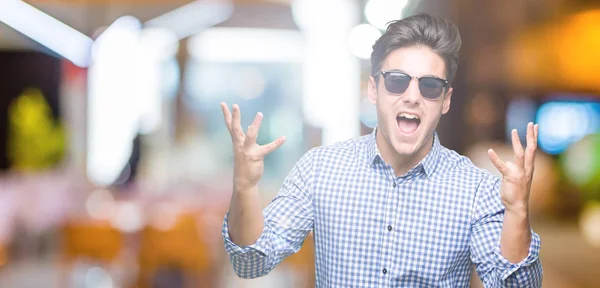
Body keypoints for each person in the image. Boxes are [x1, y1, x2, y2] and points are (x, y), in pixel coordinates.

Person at [219, 13, 543, 287]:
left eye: (429, 86)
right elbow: (250, 263)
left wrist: (517, 212)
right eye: (397, 81)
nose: (412, 97)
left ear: (445, 100)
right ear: (374, 89)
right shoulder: (320, 169)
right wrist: (244, 186)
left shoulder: (478, 190)